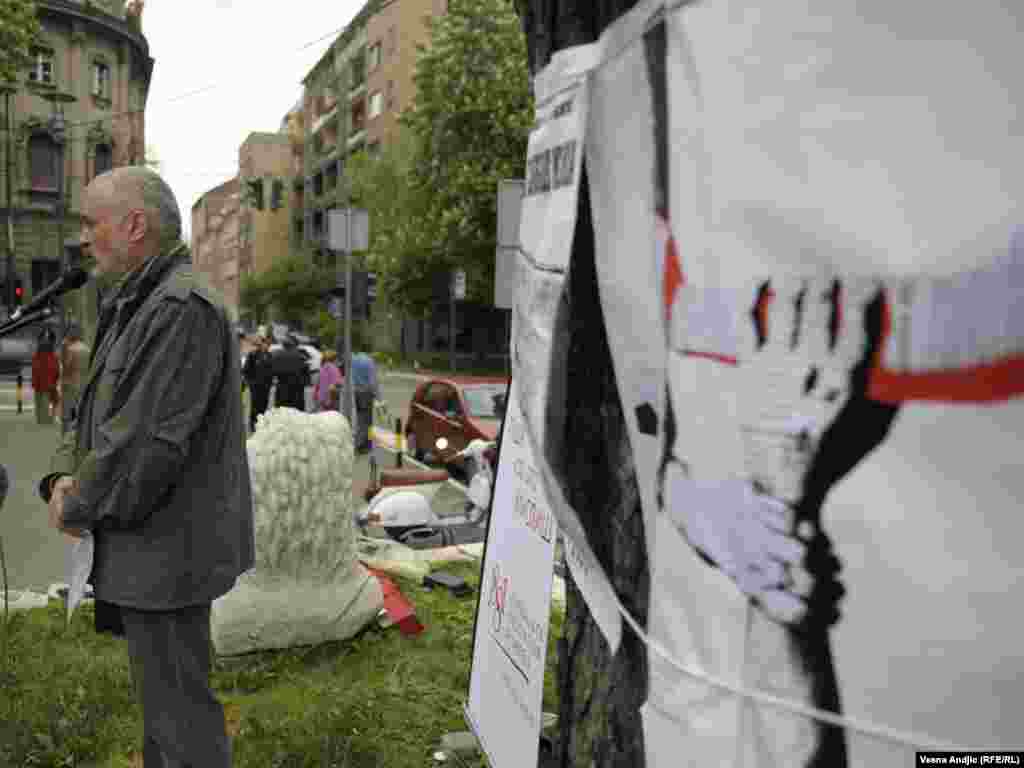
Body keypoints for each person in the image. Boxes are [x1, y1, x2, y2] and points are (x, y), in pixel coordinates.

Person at [38, 166, 254, 768]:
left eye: (91, 222)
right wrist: (59, 477)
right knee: (163, 712)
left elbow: (143, 448)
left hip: (169, 554)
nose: (82, 237)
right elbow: (86, 410)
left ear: (135, 226)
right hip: (150, 549)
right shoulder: (134, 300)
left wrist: (77, 503)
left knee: (182, 717)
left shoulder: (180, 308)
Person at [59, 323, 91, 435]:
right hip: (83, 382)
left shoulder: (70, 349)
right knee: (80, 411)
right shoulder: (86, 349)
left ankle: (70, 436)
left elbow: (67, 367)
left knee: (70, 413)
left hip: (71, 383)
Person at [242, 332, 274, 432]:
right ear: (262, 344)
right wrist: (250, 383)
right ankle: (252, 425)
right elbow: (246, 370)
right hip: (255, 386)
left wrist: (270, 382)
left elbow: (272, 371)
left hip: (266, 387)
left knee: (263, 406)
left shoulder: (270, 356)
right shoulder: (253, 355)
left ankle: (261, 425)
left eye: (269, 344)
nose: (267, 346)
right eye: (266, 344)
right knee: (255, 406)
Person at [350, 351, 381, 453]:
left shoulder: (354, 360)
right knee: (367, 420)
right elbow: (373, 382)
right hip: (366, 393)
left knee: (360, 418)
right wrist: (378, 396)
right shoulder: (369, 362)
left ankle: (365, 443)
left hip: (356, 392)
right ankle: (363, 444)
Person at [272, 334, 310, 411]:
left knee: (281, 413)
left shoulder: (277, 356)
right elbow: (306, 376)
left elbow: (273, 372)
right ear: (295, 345)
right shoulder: (301, 356)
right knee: (296, 414)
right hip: (297, 391)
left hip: (282, 389)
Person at [31, 327, 60, 425]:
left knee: (45, 401)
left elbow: (54, 369)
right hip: (44, 381)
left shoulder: (49, 355)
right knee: (43, 401)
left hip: (46, 381)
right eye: (44, 339)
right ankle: (44, 419)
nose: (45, 342)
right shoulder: (40, 355)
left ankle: (44, 419)